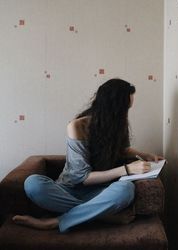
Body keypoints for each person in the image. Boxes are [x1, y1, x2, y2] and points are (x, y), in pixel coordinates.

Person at [12, 78, 164, 233]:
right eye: (124, 108)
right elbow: (82, 178)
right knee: (32, 184)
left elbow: (121, 150)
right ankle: (101, 215)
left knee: (126, 189)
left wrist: (144, 155)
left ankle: (57, 221)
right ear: (112, 106)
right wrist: (127, 170)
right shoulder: (77, 126)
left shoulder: (118, 124)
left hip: (100, 193)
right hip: (68, 189)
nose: (125, 113)